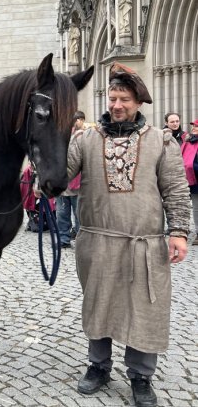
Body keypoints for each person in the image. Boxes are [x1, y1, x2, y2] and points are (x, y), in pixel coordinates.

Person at [67, 62, 190, 407]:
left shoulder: (160, 140)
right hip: (97, 240)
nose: (116, 104)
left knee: (144, 308)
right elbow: (60, 174)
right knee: (99, 304)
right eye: (112, 97)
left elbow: (177, 190)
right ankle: (98, 367)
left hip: (144, 243)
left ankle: (140, 376)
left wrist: (178, 232)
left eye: (124, 99)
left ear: (137, 102)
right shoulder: (86, 139)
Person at [56, 110, 86, 248]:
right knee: (62, 214)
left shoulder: (85, 136)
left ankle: (80, 239)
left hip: (78, 184)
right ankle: (64, 239)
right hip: (63, 183)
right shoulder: (61, 136)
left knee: (78, 214)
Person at [179, 119, 198, 245]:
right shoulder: (188, 142)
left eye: (196, 126)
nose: (194, 128)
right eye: (194, 126)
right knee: (196, 208)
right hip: (193, 180)